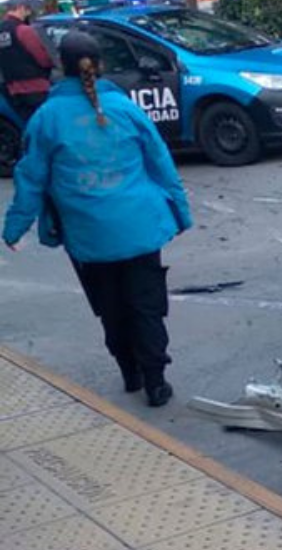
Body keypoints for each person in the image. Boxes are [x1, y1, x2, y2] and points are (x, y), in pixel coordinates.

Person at [2, 31, 193, 407]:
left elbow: (31, 179)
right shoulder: (126, 109)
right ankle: (156, 381)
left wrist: (14, 228)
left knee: (110, 306)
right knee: (146, 304)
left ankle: (130, 373)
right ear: (100, 64)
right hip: (140, 225)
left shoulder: (46, 118)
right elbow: (161, 163)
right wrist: (181, 212)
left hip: (87, 235)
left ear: (61, 66)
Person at [0, 0, 54, 123]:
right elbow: (43, 58)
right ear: (20, 7)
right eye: (28, 10)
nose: (28, 14)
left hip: (12, 90)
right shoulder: (23, 30)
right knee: (46, 124)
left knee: (30, 124)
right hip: (36, 87)